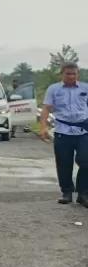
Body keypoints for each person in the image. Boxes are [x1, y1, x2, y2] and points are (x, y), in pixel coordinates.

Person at [39, 63, 88, 206]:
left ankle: (83, 193)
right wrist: (43, 128)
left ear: (78, 74)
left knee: (86, 161)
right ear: (62, 74)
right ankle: (66, 192)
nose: (71, 76)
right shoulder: (54, 89)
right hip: (62, 131)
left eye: (74, 74)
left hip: (83, 130)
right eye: (68, 74)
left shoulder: (85, 88)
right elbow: (46, 109)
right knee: (64, 163)